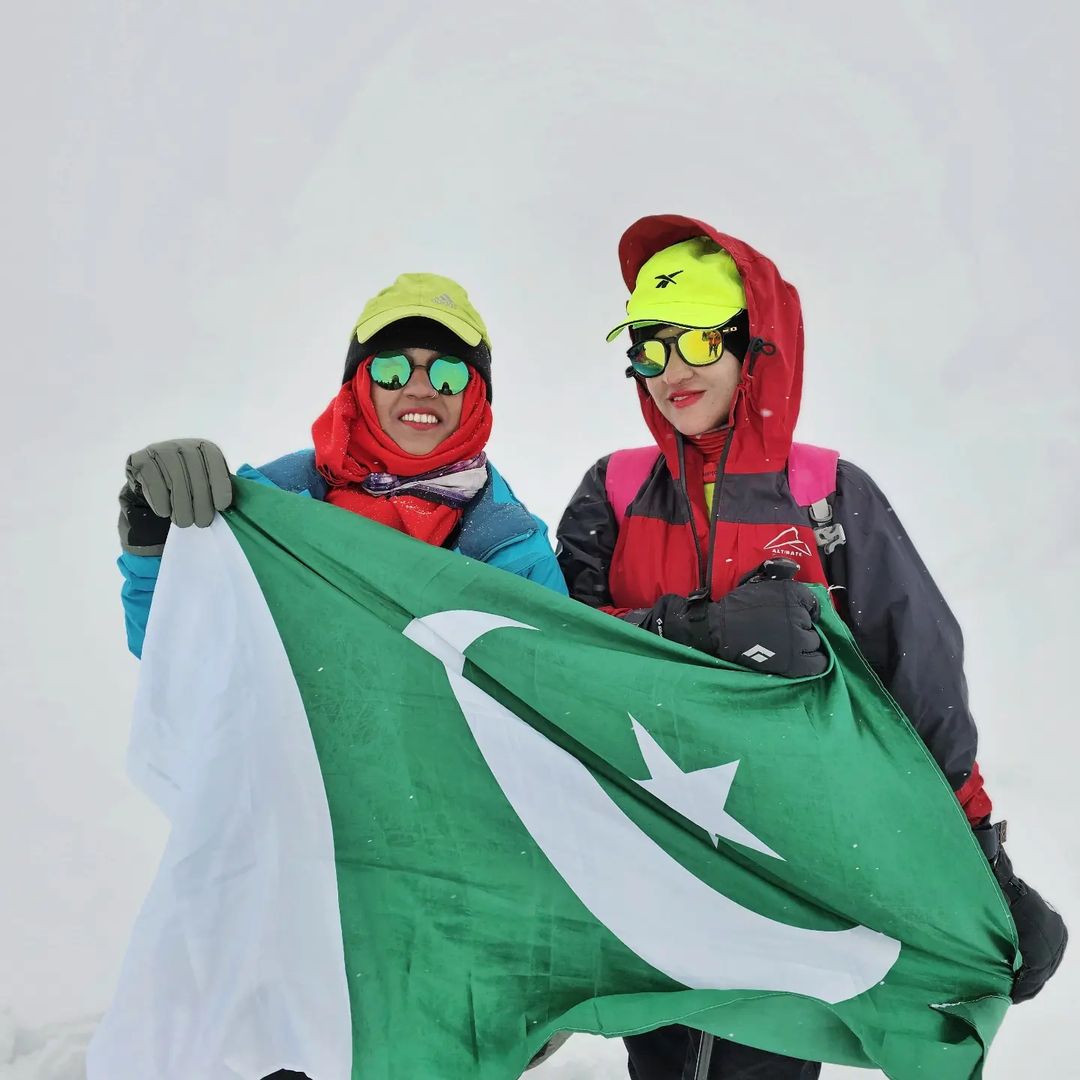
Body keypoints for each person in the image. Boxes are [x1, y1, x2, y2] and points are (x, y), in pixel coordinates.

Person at [556, 216, 1067, 1080]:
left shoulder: (828, 497)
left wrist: (976, 851)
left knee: (769, 1051)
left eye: (699, 341)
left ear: (753, 347)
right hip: (657, 858)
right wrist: (690, 633)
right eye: (650, 347)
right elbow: (555, 651)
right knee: (668, 1052)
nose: (674, 370)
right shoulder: (612, 489)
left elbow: (921, 676)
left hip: (802, 865)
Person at [115, 272, 566, 1080]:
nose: (420, 387)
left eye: (450, 369)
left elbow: (555, 741)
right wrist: (157, 543)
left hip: (444, 908)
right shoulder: (268, 507)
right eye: (394, 365)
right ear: (359, 381)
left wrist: (534, 953)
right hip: (292, 889)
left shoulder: (514, 549)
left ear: (478, 394)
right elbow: (177, 654)